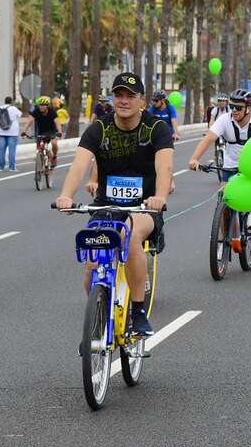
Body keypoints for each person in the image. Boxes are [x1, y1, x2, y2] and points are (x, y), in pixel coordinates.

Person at [55, 72, 172, 337]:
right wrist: (66, 195)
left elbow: (164, 167)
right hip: (105, 206)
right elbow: (79, 165)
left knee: (128, 236)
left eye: (130, 96)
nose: (124, 100)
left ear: (141, 100)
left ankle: (138, 312)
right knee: (91, 265)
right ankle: (99, 311)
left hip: (143, 208)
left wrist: (160, 197)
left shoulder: (156, 128)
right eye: (119, 95)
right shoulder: (100, 128)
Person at [187, 89, 251, 229]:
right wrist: (194, 159)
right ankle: (223, 242)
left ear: (248, 109)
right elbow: (209, 138)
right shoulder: (225, 119)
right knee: (224, 200)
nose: (234, 110)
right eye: (232, 106)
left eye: (238, 108)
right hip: (230, 163)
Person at [22, 96, 61, 168]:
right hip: (41, 132)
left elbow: (57, 123)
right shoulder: (36, 111)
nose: (41, 107)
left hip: (52, 131)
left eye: (43, 105)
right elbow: (29, 121)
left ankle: (54, 157)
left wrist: (59, 132)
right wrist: (24, 131)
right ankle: (41, 163)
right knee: (40, 147)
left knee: (54, 143)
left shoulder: (52, 112)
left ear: (47, 106)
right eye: (40, 105)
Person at [0, 96, 22, 172]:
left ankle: (1, 167)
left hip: (1, 131)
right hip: (12, 132)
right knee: (12, 150)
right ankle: (11, 167)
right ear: (11, 102)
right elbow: (20, 114)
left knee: (1, 150)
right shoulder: (14, 108)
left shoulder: (0, 108)